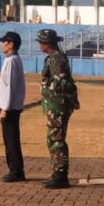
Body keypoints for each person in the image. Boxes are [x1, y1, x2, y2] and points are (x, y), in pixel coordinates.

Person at [37, 29, 79, 189]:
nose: (39, 45)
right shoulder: (54, 58)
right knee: (53, 139)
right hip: (55, 104)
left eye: (40, 42)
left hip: (58, 105)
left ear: (46, 44)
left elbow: (62, 82)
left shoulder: (57, 59)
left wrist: (44, 86)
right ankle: (57, 172)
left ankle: (61, 175)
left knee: (56, 140)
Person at [0, 31, 26, 182]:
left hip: (11, 107)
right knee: (9, 139)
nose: (2, 45)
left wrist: (5, 108)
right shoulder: (11, 60)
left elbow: (10, 87)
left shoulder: (11, 61)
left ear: (11, 44)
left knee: (11, 139)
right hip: (10, 105)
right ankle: (14, 169)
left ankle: (16, 170)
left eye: (4, 42)